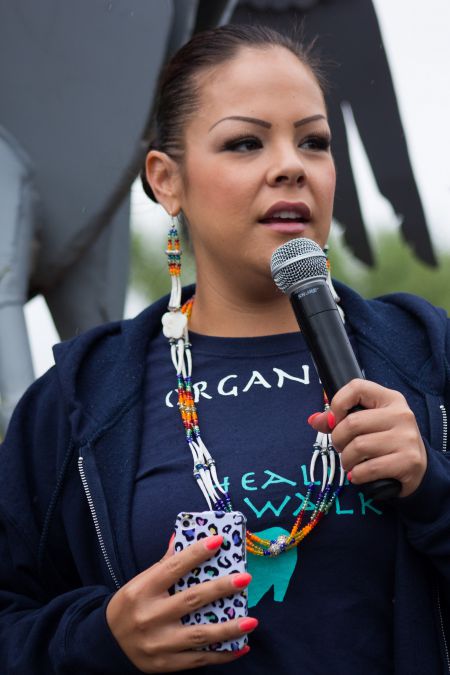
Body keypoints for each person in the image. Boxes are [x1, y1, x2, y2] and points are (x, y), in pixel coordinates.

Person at [0, 23, 449, 675]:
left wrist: (433, 485)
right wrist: (101, 638)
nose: (291, 165)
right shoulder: (79, 399)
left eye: (314, 142)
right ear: (166, 179)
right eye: (245, 142)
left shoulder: (424, 356)